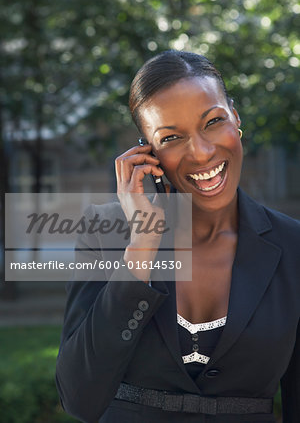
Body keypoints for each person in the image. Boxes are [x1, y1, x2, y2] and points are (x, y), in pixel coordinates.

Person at [55, 50, 300, 423]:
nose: (201, 152)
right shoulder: (104, 233)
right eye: (171, 137)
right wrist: (141, 246)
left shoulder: (292, 246)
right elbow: (79, 398)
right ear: (148, 154)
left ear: (235, 118)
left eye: (213, 121)